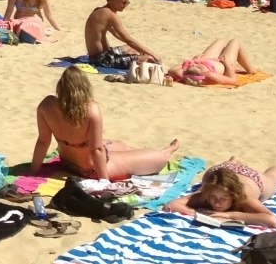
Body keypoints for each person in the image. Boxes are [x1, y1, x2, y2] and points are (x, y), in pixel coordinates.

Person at [32, 67, 179, 180]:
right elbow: (96, 150)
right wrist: (104, 180)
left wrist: (33, 170)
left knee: (121, 145)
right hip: (91, 170)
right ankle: (168, 150)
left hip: (68, 162)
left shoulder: (47, 105)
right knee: (159, 158)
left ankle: (136, 153)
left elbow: (43, 141)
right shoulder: (90, 109)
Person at [164, 160, 276, 228]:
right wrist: (203, 215)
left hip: (250, 178)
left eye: (224, 198)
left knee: (273, 176)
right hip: (219, 172)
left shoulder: (244, 198)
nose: (217, 202)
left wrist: (230, 215)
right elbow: (170, 206)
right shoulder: (205, 193)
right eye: (213, 197)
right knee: (224, 169)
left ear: (233, 196)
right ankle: (232, 161)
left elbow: (272, 221)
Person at [84, 0, 159, 69]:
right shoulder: (111, 15)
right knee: (149, 59)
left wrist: (140, 49)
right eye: (123, 2)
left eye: (127, 3)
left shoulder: (99, 10)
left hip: (99, 55)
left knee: (131, 49)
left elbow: (117, 34)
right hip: (102, 59)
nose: (125, 5)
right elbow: (129, 40)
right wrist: (153, 54)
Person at [170, 38, 259, 86]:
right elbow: (233, 81)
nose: (193, 65)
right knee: (235, 41)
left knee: (220, 40)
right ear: (202, 72)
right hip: (224, 64)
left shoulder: (182, 73)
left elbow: (171, 70)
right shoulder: (209, 75)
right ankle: (250, 70)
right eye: (197, 66)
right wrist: (228, 65)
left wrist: (195, 60)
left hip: (208, 60)